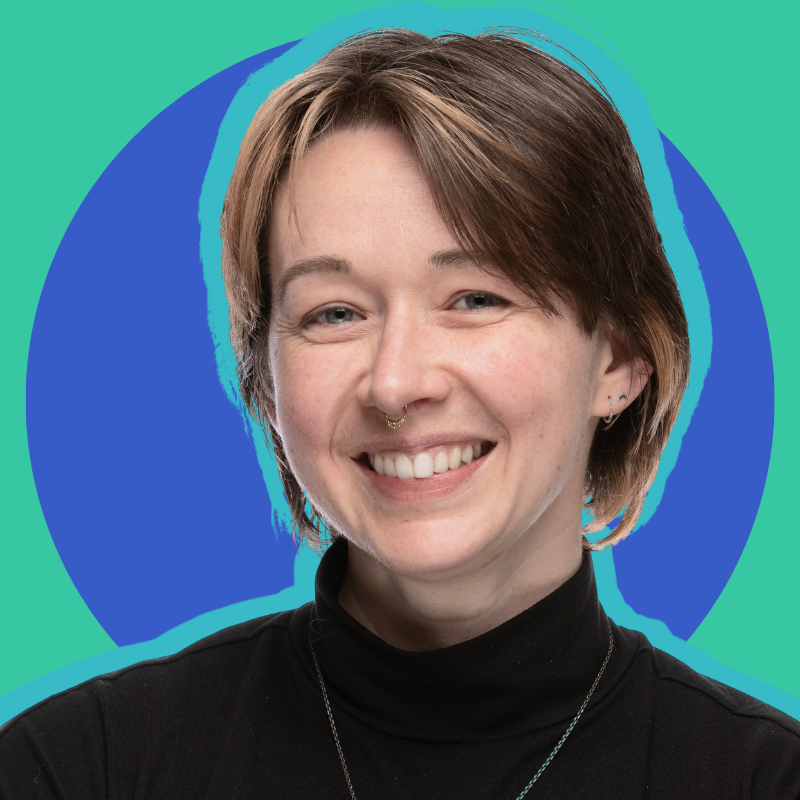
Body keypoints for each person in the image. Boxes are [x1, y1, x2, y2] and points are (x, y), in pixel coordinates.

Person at [2, 28, 799, 799]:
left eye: (476, 298)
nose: (395, 383)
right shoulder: (82, 766)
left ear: (620, 360)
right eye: (334, 314)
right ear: (269, 386)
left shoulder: (763, 777)